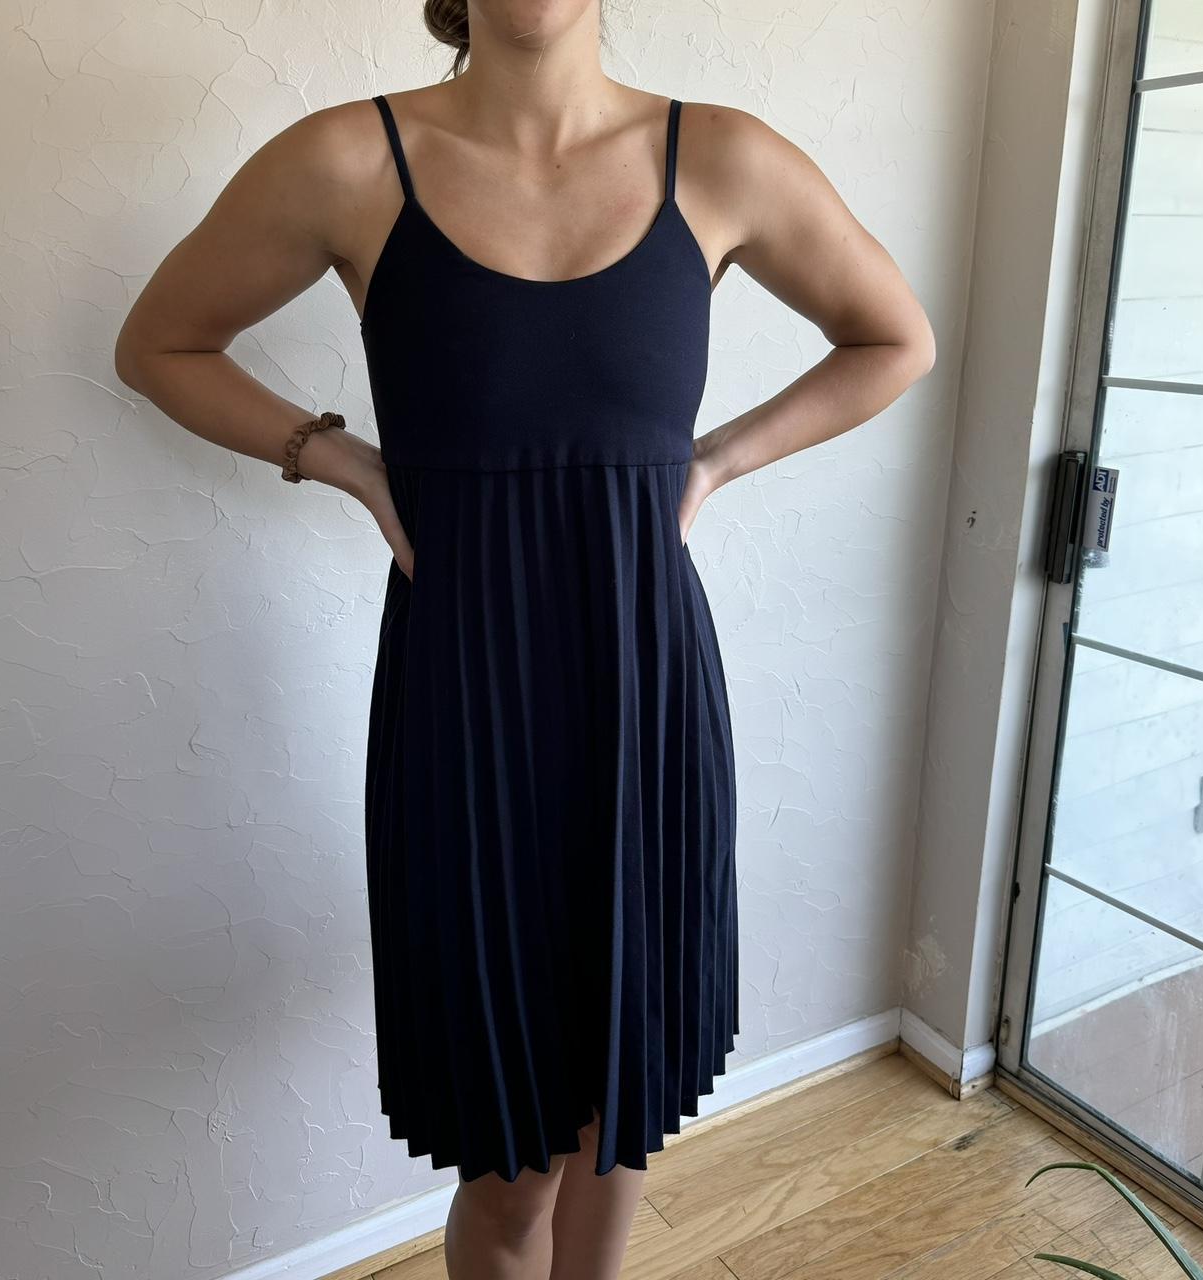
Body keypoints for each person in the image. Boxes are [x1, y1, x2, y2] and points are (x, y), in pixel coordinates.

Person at [113, 2, 935, 1276]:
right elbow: (159, 344)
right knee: (507, 1157)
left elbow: (893, 337)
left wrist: (714, 460)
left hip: (643, 686)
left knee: (616, 1109)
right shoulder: (346, 160)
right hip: (463, 695)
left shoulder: (721, 158)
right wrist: (341, 461)